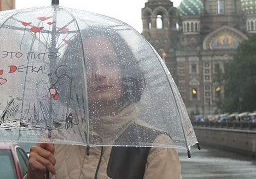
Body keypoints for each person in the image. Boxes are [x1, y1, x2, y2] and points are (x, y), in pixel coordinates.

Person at [26, 27, 182, 179]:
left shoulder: (155, 147)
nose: (99, 73)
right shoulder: (54, 141)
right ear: (75, 77)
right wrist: (35, 176)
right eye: (87, 64)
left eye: (109, 62)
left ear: (125, 71)